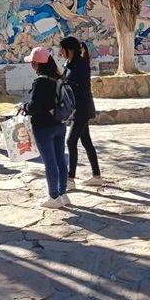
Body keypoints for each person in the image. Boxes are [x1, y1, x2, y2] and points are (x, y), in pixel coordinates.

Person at [19, 47, 70, 208]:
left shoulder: (40, 82)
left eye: (32, 62)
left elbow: (34, 107)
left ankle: (53, 197)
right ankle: (62, 193)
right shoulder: (58, 78)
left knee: (49, 162)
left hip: (43, 127)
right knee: (60, 159)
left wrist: (23, 106)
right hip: (59, 124)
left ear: (36, 64)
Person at [59, 36, 103, 189]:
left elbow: (83, 88)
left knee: (71, 141)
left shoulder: (81, 65)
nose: (61, 52)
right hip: (76, 108)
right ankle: (96, 175)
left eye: (63, 49)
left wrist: (67, 83)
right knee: (86, 141)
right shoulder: (69, 64)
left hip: (83, 108)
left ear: (70, 50)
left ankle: (70, 179)